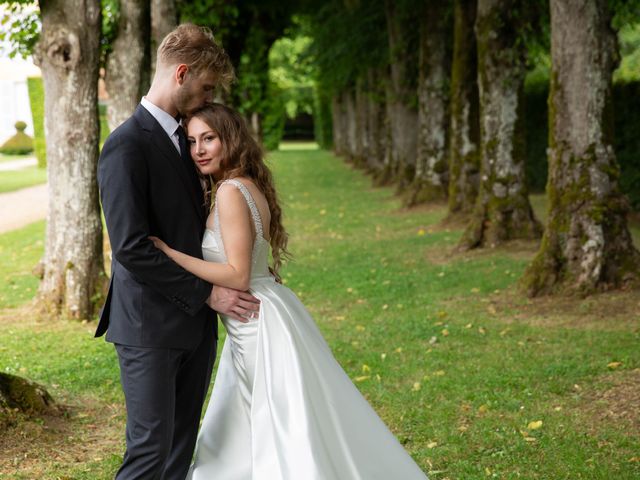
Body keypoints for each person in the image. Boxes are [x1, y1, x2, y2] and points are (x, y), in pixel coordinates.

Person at [149, 103, 429, 479]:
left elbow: (237, 274)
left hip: (256, 321)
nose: (199, 149)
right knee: (265, 415)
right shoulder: (245, 184)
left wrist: (171, 255)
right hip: (263, 311)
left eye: (209, 139)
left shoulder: (231, 191)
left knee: (280, 420)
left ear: (229, 139)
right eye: (192, 141)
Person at [97, 24, 260, 480]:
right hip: (148, 327)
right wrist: (207, 294)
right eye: (207, 88)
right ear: (182, 74)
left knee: (180, 452)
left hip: (195, 330)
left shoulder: (191, 142)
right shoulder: (125, 146)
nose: (209, 98)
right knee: (150, 453)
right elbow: (131, 248)